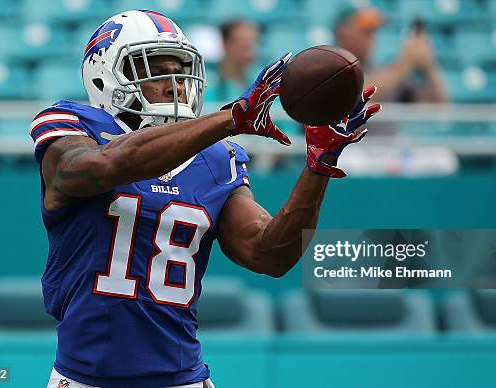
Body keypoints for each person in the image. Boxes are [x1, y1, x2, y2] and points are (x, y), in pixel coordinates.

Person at [31, 10, 380, 388]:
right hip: (85, 379)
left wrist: (317, 166)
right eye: (154, 69)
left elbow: (269, 253)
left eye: (180, 69)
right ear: (106, 75)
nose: (174, 84)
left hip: (183, 379)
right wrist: (231, 117)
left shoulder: (216, 158)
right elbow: (102, 167)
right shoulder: (74, 126)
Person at [335, 6, 448, 103]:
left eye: (374, 31)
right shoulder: (330, 67)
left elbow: (437, 106)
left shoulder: (383, 70)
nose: (371, 37)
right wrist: (407, 61)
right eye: (366, 31)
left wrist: (429, 66)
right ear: (342, 32)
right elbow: (356, 98)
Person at [207, 20, 260, 102]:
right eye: (241, 42)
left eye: (253, 41)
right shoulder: (207, 84)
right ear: (225, 43)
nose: (248, 51)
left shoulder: (264, 83)